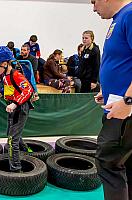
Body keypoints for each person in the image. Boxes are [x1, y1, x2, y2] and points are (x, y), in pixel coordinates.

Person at [91, 1, 132, 200]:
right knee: (125, 165)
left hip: (125, 113)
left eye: (94, 1)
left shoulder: (130, 14)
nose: (93, 7)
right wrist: (107, 91)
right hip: (118, 106)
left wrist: (128, 101)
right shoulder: (121, 18)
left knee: (108, 162)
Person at [0, 46, 34, 172]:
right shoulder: (5, 75)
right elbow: (8, 88)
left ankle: (16, 169)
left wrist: (15, 103)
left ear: (4, 63)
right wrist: (0, 94)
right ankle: (27, 151)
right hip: (13, 108)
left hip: (20, 108)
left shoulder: (16, 74)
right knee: (12, 133)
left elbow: (28, 90)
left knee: (11, 141)